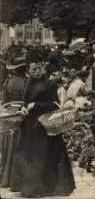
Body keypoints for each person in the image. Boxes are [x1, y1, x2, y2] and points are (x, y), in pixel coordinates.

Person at [10, 51, 75, 197]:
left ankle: (45, 187)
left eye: (39, 68)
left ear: (43, 68)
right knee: (30, 156)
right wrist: (23, 108)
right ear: (29, 71)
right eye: (33, 69)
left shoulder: (49, 84)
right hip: (30, 126)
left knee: (44, 156)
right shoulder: (28, 83)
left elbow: (55, 104)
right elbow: (25, 102)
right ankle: (30, 187)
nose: (37, 71)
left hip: (45, 125)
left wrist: (36, 105)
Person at [0, 56, 28, 188]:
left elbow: (4, 101)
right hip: (23, 116)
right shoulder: (28, 82)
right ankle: (17, 180)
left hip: (9, 117)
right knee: (21, 148)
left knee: (7, 148)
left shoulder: (7, 82)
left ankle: (4, 178)